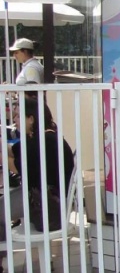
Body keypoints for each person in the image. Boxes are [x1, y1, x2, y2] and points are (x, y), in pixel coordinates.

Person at [4, 99, 74, 233]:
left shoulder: (43, 141)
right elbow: (15, 151)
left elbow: (16, 168)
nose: (15, 120)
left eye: (18, 116)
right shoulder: (45, 136)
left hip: (48, 209)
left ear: (31, 119)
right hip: (54, 204)